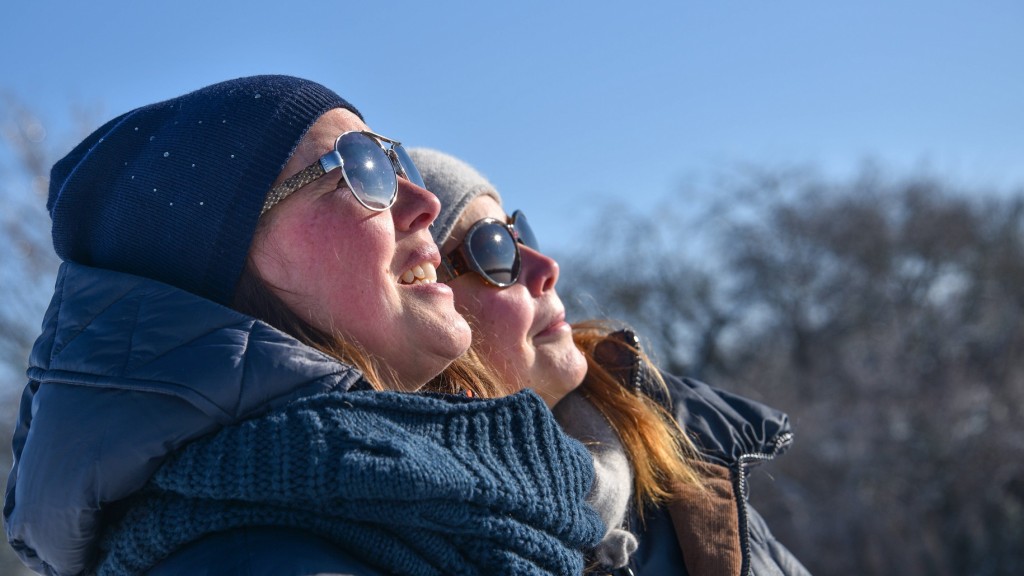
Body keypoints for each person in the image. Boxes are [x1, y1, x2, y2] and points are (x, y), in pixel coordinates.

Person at [3, 76, 603, 576]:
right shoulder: (251, 559)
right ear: (229, 258)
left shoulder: (417, 507)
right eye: (365, 168)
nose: (423, 202)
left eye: (400, 161)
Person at [411, 147, 813, 576]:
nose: (547, 267)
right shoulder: (431, 540)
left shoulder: (678, 444)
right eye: (493, 249)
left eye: (521, 235)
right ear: (429, 307)